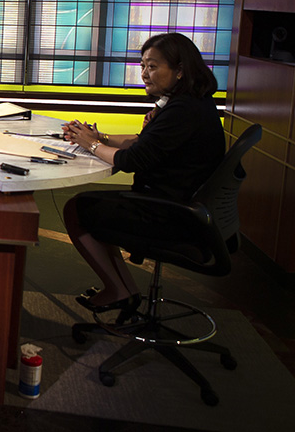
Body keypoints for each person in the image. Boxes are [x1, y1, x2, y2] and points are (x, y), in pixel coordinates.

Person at [61, 32, 224, 319]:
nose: (144, 74)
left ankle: (118, 290)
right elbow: (144, 142)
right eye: (143, 66)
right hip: (181, 206)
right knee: (91, 203)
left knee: (78, 208)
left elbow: (130, 160)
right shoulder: (190, 102)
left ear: (180, 70)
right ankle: (123, 290)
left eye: (152, 66)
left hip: (169, 214)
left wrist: (91, 144)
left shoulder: (183, 110)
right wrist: (101, 136)